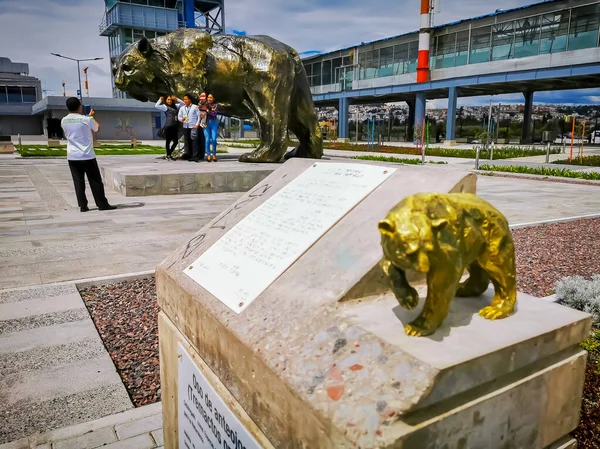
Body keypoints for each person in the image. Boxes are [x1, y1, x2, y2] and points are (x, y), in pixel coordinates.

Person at [60, 97, 116, 213]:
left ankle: (83, 206)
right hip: (87, 155)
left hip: (72, 156)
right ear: (79, 106)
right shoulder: (86, 119)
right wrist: (91, 116)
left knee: (78, 182)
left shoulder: (64, 120)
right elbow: (97, 128)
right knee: (95, 181)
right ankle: (102, 204)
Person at [155, 95, 183, 160]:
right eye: (168, 99)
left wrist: (177, 99)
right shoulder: (165, 107)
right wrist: (160, 100)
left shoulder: (176, 106)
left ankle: (169, 154)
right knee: (168, 141)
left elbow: (183, 103)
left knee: (175, 141)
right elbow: (156, 106)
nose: (169, 101)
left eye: (171, 100)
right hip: (169, 126)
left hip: (175, 126)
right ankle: (168, 155)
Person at [177, 94, 203, 162]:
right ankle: (189, 155)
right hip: (185, 126)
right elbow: (179, 117)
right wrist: (181, 119)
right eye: (184, 99)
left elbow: (199, 116)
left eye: (186, 99)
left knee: (194, 141)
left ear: (190, 100)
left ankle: (195, 156)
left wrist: (197, 124)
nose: (185, 101)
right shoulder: (182, 108)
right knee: (187, 142)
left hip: (193, 126)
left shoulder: (195, 107)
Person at [204, 94, 220, 162]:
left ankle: (214, 154)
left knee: (214, 139)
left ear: (213, 99)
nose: (209, 99)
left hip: (214, 122)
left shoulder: (216, 105)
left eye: (211, 97)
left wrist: (207, 111)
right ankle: (208, 155)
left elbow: (214, 114)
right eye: (208, 97)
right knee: (207, 139)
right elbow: (201, 112)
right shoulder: (204, 104)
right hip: (206, 122)